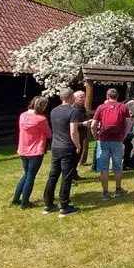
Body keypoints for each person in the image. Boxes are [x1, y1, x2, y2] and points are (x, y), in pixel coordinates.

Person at [43, 88, 87, 217]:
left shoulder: (54, 111)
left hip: (56, 146)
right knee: (66, 176)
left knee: (53, 174)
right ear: (71, 98)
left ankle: (48, 204)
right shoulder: (72, 112)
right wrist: (78, 145)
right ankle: (65, 206)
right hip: (67, 146)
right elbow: (73, 131)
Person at [12, 96, 51, 209]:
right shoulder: (41, 119)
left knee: (26, 174)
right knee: (31, 176)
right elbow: (48, 133)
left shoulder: (23, 115)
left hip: (23, 149)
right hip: (35, 151)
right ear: (42, 106)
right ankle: (25, 202)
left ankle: (15, 199)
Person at [92, 88, 132, 199]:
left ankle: (105, 192)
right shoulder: (123, 107)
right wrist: (123, 136)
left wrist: (96, 136)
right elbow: (128, 124)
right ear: (117, 96)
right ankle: (118, 189)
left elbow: (92, 125)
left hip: (103, 140)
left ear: (107, 96)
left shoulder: (101, 107)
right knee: (117, 166)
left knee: (103, 168)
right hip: (117, 140)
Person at [73, 90, 88, 179]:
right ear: (75, 98)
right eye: (81, 97)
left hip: (82, 135)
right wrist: (83, 124)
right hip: (75, 135)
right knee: (74, 157)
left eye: (84, 97)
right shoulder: (73, 108)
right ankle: (71, 175)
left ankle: (74, 173)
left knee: (78, 156)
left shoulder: (82, 108)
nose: (83, 99)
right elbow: (71, 124)